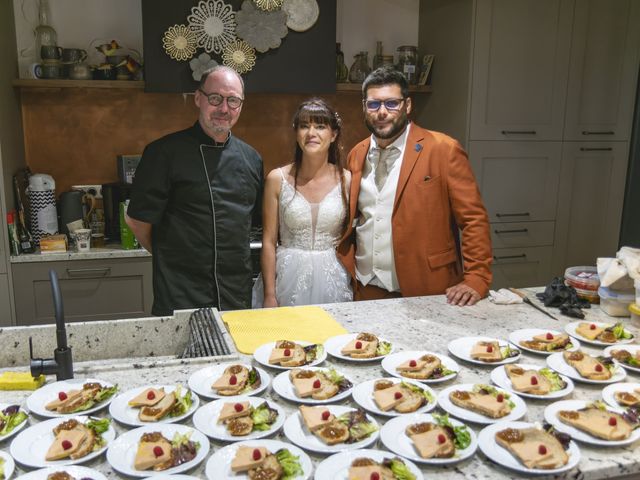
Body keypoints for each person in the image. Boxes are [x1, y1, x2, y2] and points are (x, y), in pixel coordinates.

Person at [336, 66, 492, 306]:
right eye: (374, 104)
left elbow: (473, 219)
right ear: (364, 107)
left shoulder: (443, 149)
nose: (382, 112)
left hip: (428, 288)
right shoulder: (357, 153)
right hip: (366, 289)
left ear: (407, 106)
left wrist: (477, 277)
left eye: (391, 103)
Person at [126, 65, 263, 316]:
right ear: (198, 98)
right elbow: (137, 221)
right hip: (180, 292)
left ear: (241, 105)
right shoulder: (163, 153)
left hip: (235, 293)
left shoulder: (251, 159)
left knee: (234, 356)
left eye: (233, 100)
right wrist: (171, 259)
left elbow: (250, 224)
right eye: (215, 98)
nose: (224, 108)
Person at [253, 98, 352, 307]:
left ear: (333, 135)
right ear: (296, 133)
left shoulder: (347, 180)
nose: (311, 133)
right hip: (286, 279)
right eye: (304, 126)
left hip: (333, 278)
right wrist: (270, 294)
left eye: (320, 126)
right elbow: (269, 241)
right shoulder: (276, 179)